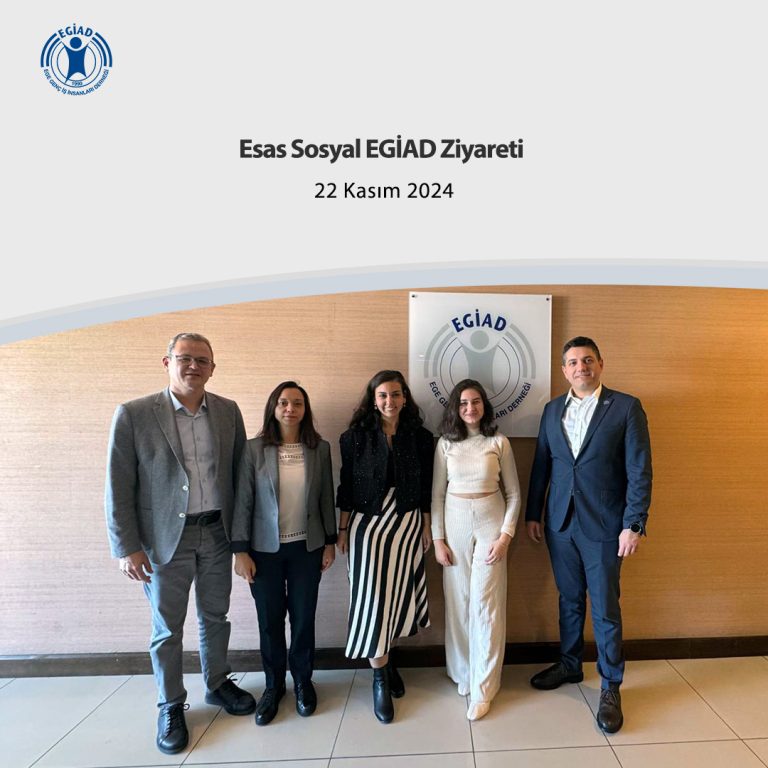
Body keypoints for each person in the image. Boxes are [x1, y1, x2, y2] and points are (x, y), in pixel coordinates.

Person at [105, 332, 255, 755]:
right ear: (167, 362)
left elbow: (239, 476)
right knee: (167, 627)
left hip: (217, 532)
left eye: (202, 360)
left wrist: (240, 538)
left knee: (216, 615)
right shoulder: (134, 414)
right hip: (162, 539)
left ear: (212, 368)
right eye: (185, 358)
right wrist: (125, 546)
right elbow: (118, 484)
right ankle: (170, 704)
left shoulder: (227, 411)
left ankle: (217, 682)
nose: (193, 366)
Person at [526, 336, 652, 734]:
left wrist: (634, 523)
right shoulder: (551, 410)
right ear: (564, 370)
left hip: (606, 527)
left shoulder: (626, 407)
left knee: (605, 608)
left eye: (588, 360)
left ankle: (611, 685)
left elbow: (639, 470)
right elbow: (542, 465)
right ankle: (569, 664)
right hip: (560, 523)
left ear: (600, 364)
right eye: (573, 362)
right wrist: (533, 514)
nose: (581, 367)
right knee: (568, 599)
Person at [230, 381, 337, 726]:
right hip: (263, 552)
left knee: (303, 619)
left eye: (297, 403)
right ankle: (273, 686)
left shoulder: (319, 449)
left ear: (305, 410)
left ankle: (303, 682)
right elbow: (243, 501)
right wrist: (240, 551)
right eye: (283, 402)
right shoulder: (253, 449)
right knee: (270, 621)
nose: (290, 409)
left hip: (307, 548)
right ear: (273, 408)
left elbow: (325, 497)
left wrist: (330, 542)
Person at [336, 370, 434, 723]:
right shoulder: (354, 437)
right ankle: (379, 677)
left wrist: (427, 525)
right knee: (372, 599)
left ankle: (387, 662)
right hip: (366, 524)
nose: (389, 401)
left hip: (407, 521)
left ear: (405, 398)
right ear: (373, 400)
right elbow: (346, 485)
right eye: (382, 395)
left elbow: (426, 485)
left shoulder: (421, 437)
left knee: (395, 597)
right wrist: (342, 529)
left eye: (395, 394)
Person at [432, 379, 521, 721]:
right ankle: (463, 672)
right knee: (459, 602)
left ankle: (485, 687)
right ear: (455, 408)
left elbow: (513, 494)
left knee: (486, 604)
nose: (470, 408)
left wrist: (505, 536)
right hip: (454, 523)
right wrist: (438, 539)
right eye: (464, 403)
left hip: (491, 524)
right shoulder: (445, 444)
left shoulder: (499, 442)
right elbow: (437, 495)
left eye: (476, 402)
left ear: (485, 405)